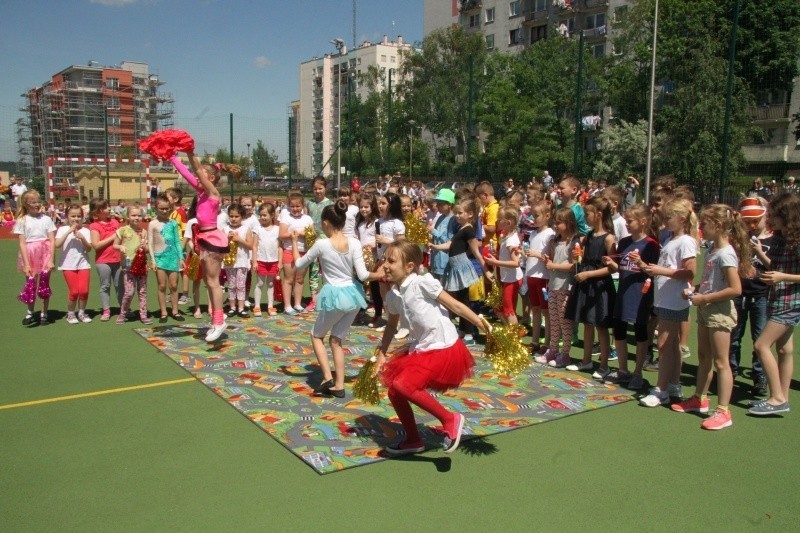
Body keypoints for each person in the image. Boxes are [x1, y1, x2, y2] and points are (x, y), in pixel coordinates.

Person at [374, 241, 490, 455]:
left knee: (403, 385)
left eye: (391, 261)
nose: (386, 265)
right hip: (422, 347)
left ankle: (450, 419)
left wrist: (481, 324)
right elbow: (391, 324)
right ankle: (413, 439)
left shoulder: (422, 283)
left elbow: (454, 305)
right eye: (385, 260)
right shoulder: (393, 295)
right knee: (395, 391)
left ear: (409, 266)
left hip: (443, 345)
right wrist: (381, 353)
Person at [667, 204, 748, 430]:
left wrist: (705, 298)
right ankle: (699, 398)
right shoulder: (713, 249)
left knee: (722, 362)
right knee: (704, 357)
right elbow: (713, 282)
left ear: (719, 226)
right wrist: (697, 292)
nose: (700, 228)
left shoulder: (726, 253)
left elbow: (735, 289)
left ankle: (723, 410)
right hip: (706, 308)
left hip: (719, 313)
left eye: (704, 224)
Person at [292, 201, 378, 398]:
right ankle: (339, 384)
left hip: (335, 296)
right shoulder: (355, 242)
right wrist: (379, 274)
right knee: (336, 340)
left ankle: (327, 377)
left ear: (326, 223)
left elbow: (299, 264)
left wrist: (296, 243)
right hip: (353, 296)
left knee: (316, 335)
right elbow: (364, 275)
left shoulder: (321, 244)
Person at [170, 152, 241, 342]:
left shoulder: (212, 194)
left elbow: (196, 170)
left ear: (209, 178)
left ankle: (219, 321)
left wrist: (191, 152)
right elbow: (187, 173)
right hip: (204, 238)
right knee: (208, 282)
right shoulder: (201, 192)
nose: (195, 178)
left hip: (213, 239)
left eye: (200, 175)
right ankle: (217, 318)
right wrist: (172, 158)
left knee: (212, 282)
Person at [639, 198, 698, 407]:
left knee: (664, 345)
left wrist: (661, 271)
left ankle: (661, 389)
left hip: (674, 301)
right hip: (667, 299)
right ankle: (672, 384)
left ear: (682, 219)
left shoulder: (686, 241)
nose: (665, 222)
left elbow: (690, 271)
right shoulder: (673, 239)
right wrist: (650, 268)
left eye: (668, 217)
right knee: (671, 345)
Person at [748, 192, 800, 415]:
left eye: (774, 215)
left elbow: (786, 274)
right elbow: (777, 266)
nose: (770, 219)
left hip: (790, 302)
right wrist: (760, 255)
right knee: (785, 349)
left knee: (761, 345)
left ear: (786, 215)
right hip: (777, 298)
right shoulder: (780, 239)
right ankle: (782, 396)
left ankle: (777, 397)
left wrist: (781, 277)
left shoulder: (797, 241)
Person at [601, 204, 659, 389]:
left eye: (630, 220)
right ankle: (623, 370)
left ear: (642, 222)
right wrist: (611, 263)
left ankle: (638, 372)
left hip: (641, 295)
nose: (626, 223)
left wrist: (641, 262)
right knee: (619, 331)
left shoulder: (651, 244)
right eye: (626, 220)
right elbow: (621, 268)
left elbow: (654, 272)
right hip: (623, 293)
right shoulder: (624, 242)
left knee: (641, 332)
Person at [564, 196, 617, 379]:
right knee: (587, 323)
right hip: (585, 284)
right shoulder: (588, 236)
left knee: (601, 326)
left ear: (599, 214)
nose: (585, 217)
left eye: (588, 213)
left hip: (600, 286)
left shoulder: (609, 238)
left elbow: (611, 268)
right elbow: (583, 259)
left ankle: (604, 365)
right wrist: (577, 256)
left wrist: (589, 274)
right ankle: (586, 360)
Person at [729, 197, 773, 397]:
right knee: (734, 337)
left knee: (760, 339)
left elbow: (776, 268)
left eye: (756, 221)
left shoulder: (773, 239)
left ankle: (759, 376)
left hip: (761, 294)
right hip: (739, 293)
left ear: (765, 217)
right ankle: (731, 372)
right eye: (748, 222)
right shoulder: (737, 238)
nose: (752, 226)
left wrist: (759, 251)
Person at [434, 198, 489, 346]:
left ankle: (470, 332)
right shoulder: (461, 228)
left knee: (464, 301)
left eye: (460, 213)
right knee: (459, 299)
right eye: (456, 213)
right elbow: (451, 244)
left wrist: (485, 270)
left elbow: (476, 252)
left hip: (462, 267)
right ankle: (463, 329)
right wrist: (435, 246)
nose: (457, 216)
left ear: (470, 214)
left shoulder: (469, 230)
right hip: (455, 267)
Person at [543, 208, 580, 368]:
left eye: (559, 223)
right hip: (553, 286)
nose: (556, 226)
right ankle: (553, 349)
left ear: (569, 223)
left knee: (565, 322)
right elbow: (552, 261)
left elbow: (574, 265)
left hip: (566, 287)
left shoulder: (574, 242)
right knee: (554, 320)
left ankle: (565, 354)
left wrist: (553, 265)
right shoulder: (555, 241)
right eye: (555, 222)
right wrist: (548, 260)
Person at [14, 190, 56, 325]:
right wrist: (26, 264)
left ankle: (44, 313)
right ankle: (30, 312)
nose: (37, 204)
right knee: (31, 284)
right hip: (30, 254)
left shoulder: (46, 219)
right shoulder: (22, 220)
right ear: (26, 204)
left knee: (44, 284)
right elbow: (22, 242)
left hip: (45, 253)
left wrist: (51, 259)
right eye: (33, 202)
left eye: (38, 201)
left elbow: (52, 240)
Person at [524, 201, 555, 358]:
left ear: (547, 216)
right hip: (531, 276)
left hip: (544, 278)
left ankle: (547, 342)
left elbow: (551, 258)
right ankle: (535, 341)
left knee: (546, 311)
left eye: (536, 216)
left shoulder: (550, 234)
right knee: (535, 309)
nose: (534, 219)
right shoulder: (533, 234)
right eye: (532, 215)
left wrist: (538, 255)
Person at [148, 193, 185, 322]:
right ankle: (164, 312)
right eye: (161, 208)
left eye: (167, 208)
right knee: (162, 286)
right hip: (159, 258)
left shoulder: (173, 223)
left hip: (173, 257)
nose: (164, 211)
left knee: (174, 285)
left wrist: (181, 258)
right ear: (156, 208)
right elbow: (151, 243)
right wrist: (152, 260)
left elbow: (177, 242)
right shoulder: (153, 224)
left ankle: (175, 311)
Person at [485, 207, 523, 327]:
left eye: (499, 220)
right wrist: (498, 257)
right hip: (508, 278)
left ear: (508, 222)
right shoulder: (507, 236)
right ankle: (509, 331)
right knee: (501, 308)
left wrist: (496, 262)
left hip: (511, 279)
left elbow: (516, 262)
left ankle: (513, 338)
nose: (497, 222)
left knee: (508, 309)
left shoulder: (511, 240)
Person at [113, 206, 152, 325]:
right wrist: (120, 247)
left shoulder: (144, 232)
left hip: (141, 266)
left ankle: (143, 315)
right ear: (128, 217)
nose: (136, 218)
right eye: (133, 215)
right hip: (128, 266)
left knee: (142, 291)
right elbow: (114, 245)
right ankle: (123, 313)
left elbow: (147, 249)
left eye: (139, 215)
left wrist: (145, 247)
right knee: (129, 292)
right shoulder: (122, 230)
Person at [55, 204, 93, 324]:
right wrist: (68, 232)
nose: (76, 219)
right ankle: (71, 313)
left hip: (83, 264)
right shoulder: (62, 229)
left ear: (82, 217)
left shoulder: (86, 230)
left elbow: (89, 248)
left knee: (84, 291)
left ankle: (81, 312)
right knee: (74, 291)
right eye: (73, 216)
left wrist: (82, 238)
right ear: (67, 217)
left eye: (78, 216)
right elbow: (57, 244)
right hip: (68, 265)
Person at [375, 192, 406, 329]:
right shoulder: (379, 221)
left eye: (383, 203)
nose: (380, 206)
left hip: (393, 262)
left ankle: (401, 323)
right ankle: (390, 322)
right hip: (381, 261)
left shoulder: (397, 223)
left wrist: (387, 241)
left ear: (391, 206)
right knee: (384, 293)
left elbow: (402, 244)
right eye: (379, 203)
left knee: (395, 292)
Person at [279, 191, 314, 315]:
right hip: (289, 251)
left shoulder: (308, 219)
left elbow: (312, 235)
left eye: (298, 206)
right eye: (292, 206)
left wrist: (304, 233)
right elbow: (282, 234)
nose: (295, 209)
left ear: (302, 205)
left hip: (303, 252)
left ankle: (297, 304)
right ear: (289, 206)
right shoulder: (285, 217)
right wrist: (293, 233)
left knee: (299, 279)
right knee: (289, 279)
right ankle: (287, 305)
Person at [88, 198, 123, 322]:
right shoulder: (94, 226)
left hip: (118, 259)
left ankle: (123, 309)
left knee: (120, 285)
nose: (109, 208)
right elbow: (96, 245)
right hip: (103, 261)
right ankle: (106, 310)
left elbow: (122, 238)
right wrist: (113, 237)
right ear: (97, 212)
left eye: (108, 206)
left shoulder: (115, 222)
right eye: (105, 207)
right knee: (105, 286)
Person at [304, 177, 334, 312]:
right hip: (312, 242)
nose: (318, 191)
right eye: (315, 189)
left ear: (325, 188)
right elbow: (305, 221)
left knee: (328, 270)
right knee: (314, 271)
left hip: (327, 241)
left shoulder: (330, 204)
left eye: (320, 188)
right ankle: (314, 299)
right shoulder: (308, 204)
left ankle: (327, 298)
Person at [222, 203, 254, 318]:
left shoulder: (246, 229)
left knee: (241, 285)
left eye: (236, 216)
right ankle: (232, 307)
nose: (234, 219)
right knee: (231, 285)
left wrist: (239, 239)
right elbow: (221, 246)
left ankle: (241, 308)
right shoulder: (225, 229)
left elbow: (250, 245)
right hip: (229, 262)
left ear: (242, 217)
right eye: (231, 216)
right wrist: (227, 239)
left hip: (242, 262)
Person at [356, 193, 383, 328]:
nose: (363, 209)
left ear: (372, 207)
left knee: (374, 287)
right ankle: (360, 312)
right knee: (359, 285)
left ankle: (378, 314)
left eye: (366, 207)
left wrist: (373, 245)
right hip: (361, 258)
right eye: (361, 207)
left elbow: (379, 239)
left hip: (374, 258)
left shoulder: (377, 222)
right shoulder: (360, 223)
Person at [253, 202, 281, 317]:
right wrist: (254, 261)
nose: (262, 217)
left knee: (270, 283)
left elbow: (280, 247)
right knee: (260, 283)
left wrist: (280, 262)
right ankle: (257, 306)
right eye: (261, 215)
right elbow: (254, 246)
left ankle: (270, 306)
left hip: (273, 261)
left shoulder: (277, 229)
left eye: (265, 215)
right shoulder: (257, 228)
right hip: (261, 260)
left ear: (272, 215)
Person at [428, 188, 458, 284]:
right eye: (437, 203)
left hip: (445, 262)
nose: (437, 206)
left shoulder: (453, 219)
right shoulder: (441, 217)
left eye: (440, 204)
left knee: (444, 288)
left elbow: (449, 241)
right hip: (435, 260)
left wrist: (434, 231)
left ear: (449, 204)